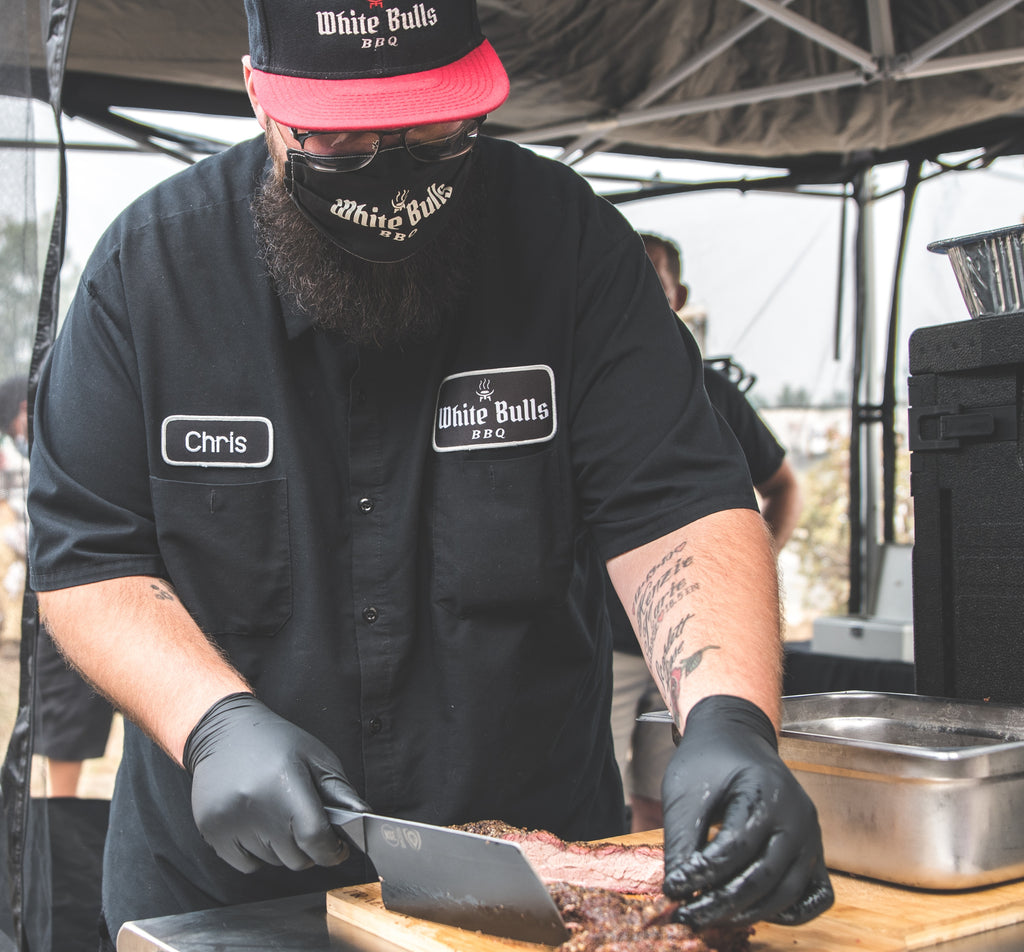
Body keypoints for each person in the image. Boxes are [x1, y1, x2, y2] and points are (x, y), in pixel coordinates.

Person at [25, 1, 832, 946]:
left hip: (537, 888)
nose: (391, 166)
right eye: (341, 139)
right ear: (260, 95)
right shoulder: (150, 274)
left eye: (431, 126)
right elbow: (88, 559)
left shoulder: (568, 247)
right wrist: (210, 722)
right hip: (225, 894)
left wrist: (728, 719)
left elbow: (678, 503)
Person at [611, 235, 804, 832]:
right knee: (603, 798)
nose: (637, 292)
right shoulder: (589, 392)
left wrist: (740, 573)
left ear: (679, 294)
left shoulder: (713, 392)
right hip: (610, 642)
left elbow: (785, 487)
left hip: (694, 647)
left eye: (653, 278)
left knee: (680, 800)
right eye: (625, 276)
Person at [0, 374, 116, 797]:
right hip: (57, 588)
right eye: (22, 411)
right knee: (66, 717)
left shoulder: (68, 432)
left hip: (88, 579)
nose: (26, 418)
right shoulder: (14, 456)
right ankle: (59, 808)